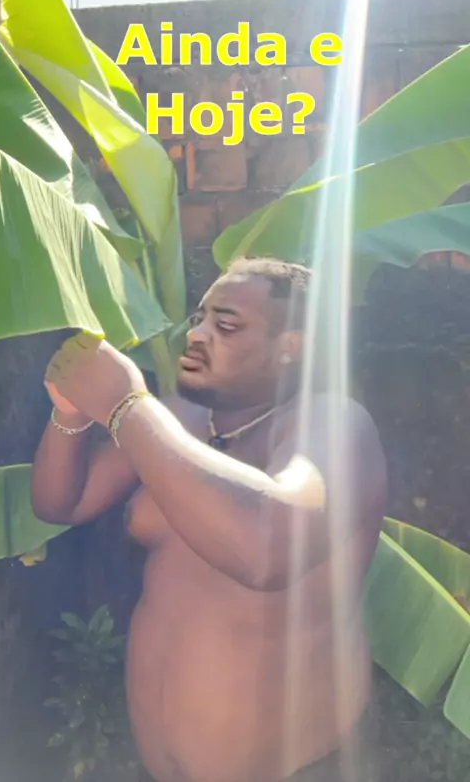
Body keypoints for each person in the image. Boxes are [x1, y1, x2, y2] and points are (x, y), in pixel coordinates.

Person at [32, 257, 387, 782]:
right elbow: (63, 503)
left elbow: (266, 550)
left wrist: (127, 406)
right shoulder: (180, 418)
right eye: (198, 318)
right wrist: (69, 413)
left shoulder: (335, 424)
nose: (196, 334)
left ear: (290, 346)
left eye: (225, 325)